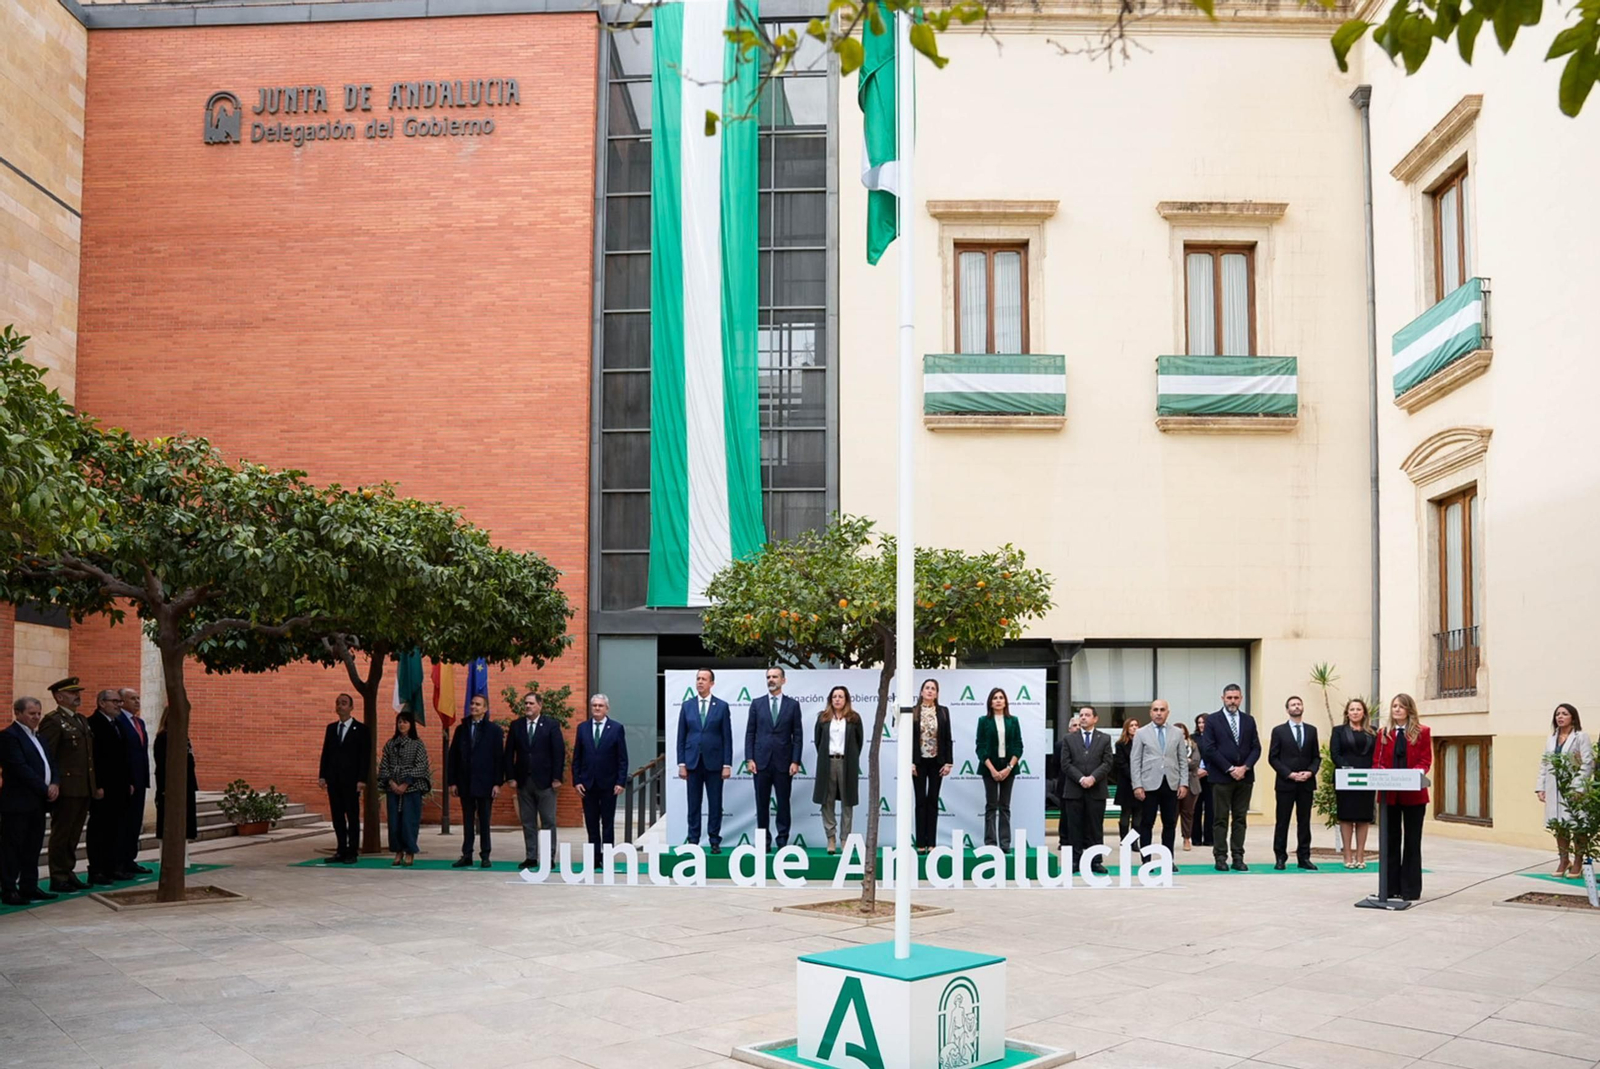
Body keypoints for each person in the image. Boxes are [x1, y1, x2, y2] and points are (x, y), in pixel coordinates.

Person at [37, 677, 94, 892]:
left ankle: (68, 872)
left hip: (82, 787)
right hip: (66, 787)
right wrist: (53, 783)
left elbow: (88, 758)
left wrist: (93, 784)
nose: (77, 695)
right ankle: (58, 876)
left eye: (77, 691)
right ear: (59, 697)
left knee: (74, 833)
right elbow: (48, 756)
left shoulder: (81, 720)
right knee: (62, 833)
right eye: (72, 692)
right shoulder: (53, 721)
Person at [1374, 693, 1432, 902]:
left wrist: (1415, 772)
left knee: (1411, 842)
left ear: (1409, 709)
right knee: (1390, 841)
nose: (1396, 710)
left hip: (1414, 796)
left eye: (1401, 706)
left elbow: (1426, 760)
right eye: (1394, 706)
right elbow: (1377, 761)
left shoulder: (1423, 732)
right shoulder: (1383, 733)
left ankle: (1410, 889)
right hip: (1389, 796)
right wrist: (1380, 771)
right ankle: (1389, 888)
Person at [1, 698, 58, 905]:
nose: (36, 717)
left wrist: (55, 783)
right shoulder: (9, 736)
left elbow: (51, 763)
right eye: (31, 714)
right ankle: (8, 889)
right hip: (17, 802)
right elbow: (20, 768)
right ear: (18, 713)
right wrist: (45, 788)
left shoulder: (40, 737)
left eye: (38, 714)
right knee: (13, 847)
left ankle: (29, 886)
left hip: (37, 803)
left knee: (32, 846)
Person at [1198, 683, 1261, 872]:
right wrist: (1230, 768)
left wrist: (1245, 767)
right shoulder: (1213, 721)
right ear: (1223, 698)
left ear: (1241, 699)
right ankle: (1220, 857)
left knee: (1240, 818)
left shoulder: (1248, 720)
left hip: (1245, 778)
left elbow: (1256, 747)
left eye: (1236, 698)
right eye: (1229, 698)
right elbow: (1209, 749)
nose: (1232, 701)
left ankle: (1238, 857)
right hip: (1221, 778)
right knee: (1220, 819)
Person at [745, 666, 803, 850]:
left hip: (784, 763)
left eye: (775, 677)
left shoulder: (792, 705)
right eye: (769, 677)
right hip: (760, 762)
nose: (771, 680)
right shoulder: (757, 704)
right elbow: (750, 733)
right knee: (761, 804)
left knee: (783, 803)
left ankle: (782, 840)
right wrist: (749, 759)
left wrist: (795, 761)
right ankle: (764, 841)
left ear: (783, 680)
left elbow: (798, 735)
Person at [506, 690, 565, 869]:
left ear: (540, 705)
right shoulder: (516, 726)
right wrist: (510, 777)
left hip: (546, 781)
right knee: (528, 821)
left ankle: (548, 857)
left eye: (531, 703)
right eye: (526, 703)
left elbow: (558, 752)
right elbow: (509, 753)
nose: (528, 706)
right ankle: (531, 856)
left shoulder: (551, 725)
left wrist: (556, 777)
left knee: (548, 820)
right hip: (523, 781)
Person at [676, 669, 732, 854]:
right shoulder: (687, 706)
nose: (700, 682)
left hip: (715, 763)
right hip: (692, 763)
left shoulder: (721, 706)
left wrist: (727, 764)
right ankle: (693, 840)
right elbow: (681, 737)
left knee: (715, 804)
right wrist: (681, 763)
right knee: (694, 804)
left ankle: (714, 840)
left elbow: (727, 736)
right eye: (698, 679)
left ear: (712, 683)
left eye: (704, 679)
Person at [1535, 703, 1593, 878]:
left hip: (1575, 788)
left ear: (1573, 718)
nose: (1560, 717)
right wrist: (1541, 787)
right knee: (1558, 824)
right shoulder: (1551, 739)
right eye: (1557, 714)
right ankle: (1563, 859)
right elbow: (1545, 763)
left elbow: (1587, 763)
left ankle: (1578, 862)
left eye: (1564, 714)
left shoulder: (1581, 737)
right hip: (1554, 788)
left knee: (1577, 824)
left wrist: (1578, 787)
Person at [448, 694, 504, 868]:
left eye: (478, 704)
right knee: (467, 820)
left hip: (485, 783)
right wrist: (452, 781)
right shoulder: (461, 729)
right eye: (472, 704)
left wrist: (497, 783)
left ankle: (485, 855)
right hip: (465, 782)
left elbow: (498, 758)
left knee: (484, 820)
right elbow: (453, 757)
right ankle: (467, 854)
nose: (474, 707)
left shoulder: (494, 731)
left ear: (485, 709)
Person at [573, 694, 628, 868]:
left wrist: (620, 782)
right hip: (587, 784)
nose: (597, 708)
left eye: (600, 706)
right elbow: (577, 757)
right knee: (591, 822)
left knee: (607, 822)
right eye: (594, 705)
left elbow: (622, 758)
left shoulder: (616, 728)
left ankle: (607, 856)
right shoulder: (582, 728)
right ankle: (594, 856)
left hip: (609, 784)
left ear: (607, 708)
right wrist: (577, 781)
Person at [87, 689, 134, 884]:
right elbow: (93, 758)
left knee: (116, 828)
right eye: (114, 701)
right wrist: (96, 785)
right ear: (101, 703)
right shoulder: (93, 724)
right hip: (104, 787)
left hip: (120, 786)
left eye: (119, 702)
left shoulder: (117, 724)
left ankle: (113, 866)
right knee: (100, 829)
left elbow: (124, 756)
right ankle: (97, 869)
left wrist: (129, 781)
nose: (118, 705)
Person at [1269, 695, 1321, 871]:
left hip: (1306, 783)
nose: (1296, 706)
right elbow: (1273, 758)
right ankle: (1280, 857)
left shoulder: (1312, 730)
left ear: (1303, 707)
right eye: (1293, 704)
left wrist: (1310, 772)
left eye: (1299, 704)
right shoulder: (1279, 731)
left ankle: (1304, 857)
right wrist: (1289, 774)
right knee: (1282, 821)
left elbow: (1316, 756)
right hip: (1286, 783)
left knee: (1304, 821)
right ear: (1287, 709)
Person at [1130, 699, 1188, 857]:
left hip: (1171, 784)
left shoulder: (1177, 733)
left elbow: (1182, 760)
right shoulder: (1141, 733)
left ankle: (1168, 859)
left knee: (1170, 823)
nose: (1159, 713)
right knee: (1147, 823)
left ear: (1167, 713)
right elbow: (1135, 761)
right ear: (1150, 712)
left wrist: (1184, 783)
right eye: (1155, 710)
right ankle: (1146, 859)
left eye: (1162, 710)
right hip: (1149, 784)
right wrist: (1137, 785)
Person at [1057, 706, 1110, 874]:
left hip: (1096, 789)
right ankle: (1075, 860)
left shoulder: (1105, 738)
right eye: (1081, 715)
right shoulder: (1069, 739)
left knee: (1095, 827)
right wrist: (1081, 778)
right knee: (1074, 827)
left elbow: (1108, 763)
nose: (1083, 718)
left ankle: (1096, 861)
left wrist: (1093, 778)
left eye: (1087, 715)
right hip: (1074, 789)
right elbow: (1065, 763)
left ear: (1095, 718)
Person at [317, 694, 369, 865]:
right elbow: (326, 753)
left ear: (351, 707)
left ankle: (352, 851)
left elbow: (364, 756)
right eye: (338, 703)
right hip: (334, 780)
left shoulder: (361, 729)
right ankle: (341, 849)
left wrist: (362, 779)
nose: (340, 706)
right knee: (337, 817)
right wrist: (323, 775)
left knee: (352, 816)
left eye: (344, 703)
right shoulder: (331, 728)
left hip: (352, 781)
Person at [812, 686, 863, 854]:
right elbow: (818, 741)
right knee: (827, 801)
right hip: (827, 763)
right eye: (834, 696)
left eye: (841, 696)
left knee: (847, 803)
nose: (837, 699)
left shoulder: (854, 718)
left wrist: (851, 758)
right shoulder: (823, 718)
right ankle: (831, 837)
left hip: (846, 763)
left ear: (846, 699)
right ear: (830, 699)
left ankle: (845, 838)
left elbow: (859, 742)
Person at [379, 710, 431, 867]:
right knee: (394, 822)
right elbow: (384, 765)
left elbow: (421, 766)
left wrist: (406, 783)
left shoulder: (417, 744)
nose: (402, 725)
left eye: (405, 722)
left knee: (409, 821)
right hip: (393, 788)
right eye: (400, 722)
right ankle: (397, 851)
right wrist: (391, 782)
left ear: (411, 725)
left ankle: (409, 851)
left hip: (411, 789)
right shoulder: (390, 744)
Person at [975, 688, 1023, 852]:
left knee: (1005, 806)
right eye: (995, 698)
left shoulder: (1013, 721)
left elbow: (1018, 746)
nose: (998, 700)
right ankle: (990, 843)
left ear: (1005, 701)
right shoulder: (983, 721)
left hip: (1009, 768)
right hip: (989, 767)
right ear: (990, 702)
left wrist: (1009, 768)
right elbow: (980, 747)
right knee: (991, 805)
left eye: (1001, 697)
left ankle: (1005, 844)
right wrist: (993, 770)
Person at [1330, 698, 1376, 869]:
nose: (1355, 712)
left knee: (1364, 817)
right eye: (1352, 709)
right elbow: (1335, 753)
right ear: (1347, 713)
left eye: (1358, 709)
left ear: (1364, 712)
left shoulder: (1373, 732)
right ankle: (1347, 854)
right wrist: (1347, 768)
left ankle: (1360, 855)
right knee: (1346, 817)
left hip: (1367, 778)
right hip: (1346, 777)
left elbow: (1376, 754)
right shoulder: (1338, 731)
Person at [909, 679, 952, 854]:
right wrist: (909, 761)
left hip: (937, 762)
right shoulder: (913, 711)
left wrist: (949, 762)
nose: (930, 691)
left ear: (937, 693)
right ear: (921, 692)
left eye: (933, 688)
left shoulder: (943, 712)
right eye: (927, 688)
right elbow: (908, 738)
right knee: (920, 801)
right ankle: (920, 842)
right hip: (918, 763)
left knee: (933, 801)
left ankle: (931, 843)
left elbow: (948, 737)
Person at [115, 688, 151, 876]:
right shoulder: (118, 721)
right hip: (126, 782)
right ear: (121, 701)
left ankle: (130, 859)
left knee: (135, 822)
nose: (137, 701)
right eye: (132, 698)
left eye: (138, 698)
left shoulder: (139, 722)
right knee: (123, 822)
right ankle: (118, 862)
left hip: (139, 780)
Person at [153, 707, 198, 844]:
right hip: (171, 786)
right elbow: (161, 765)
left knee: (186, 823)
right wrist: (165, 787)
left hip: (186, 784)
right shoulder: (163, 738)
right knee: (170, 822)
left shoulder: (183, 737)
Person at [1111, 718, 1140, 841]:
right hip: (1126, 784)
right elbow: (1121, 764)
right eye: (1131, 725)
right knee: (1125, 813)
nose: (1134, 727)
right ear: (1126, 728)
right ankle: (1124, 840)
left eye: (1136, 725)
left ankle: (1133, 841)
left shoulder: (1143, 743)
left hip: (1141, 784)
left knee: (1139, 815)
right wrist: (1134, 777)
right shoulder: (1121, 744)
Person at [1190, 714, 1213, 848]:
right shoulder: (1193, 739)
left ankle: (1209, 838)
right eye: (1199, 722)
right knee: (1195, 808)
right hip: (1195, 777)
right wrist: (1197, 769)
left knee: (1211, 809)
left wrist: (1207, 770)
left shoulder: (1215, 737)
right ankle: (1196, 838)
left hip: (1210, 777)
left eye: (1204, 722)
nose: (1201, 725)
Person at [1176, 722, 1198, 851]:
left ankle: (1186, 838)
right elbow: (1170, 761)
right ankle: (1169, 838)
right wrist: (1185, 761)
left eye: (1183, 733)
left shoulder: (1193, 745)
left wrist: (1182, 762)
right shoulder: (1170, 745)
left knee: (1188, 813)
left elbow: (1195, 762)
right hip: (1174, 783)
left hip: (1191, 784)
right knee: (1172, 814)